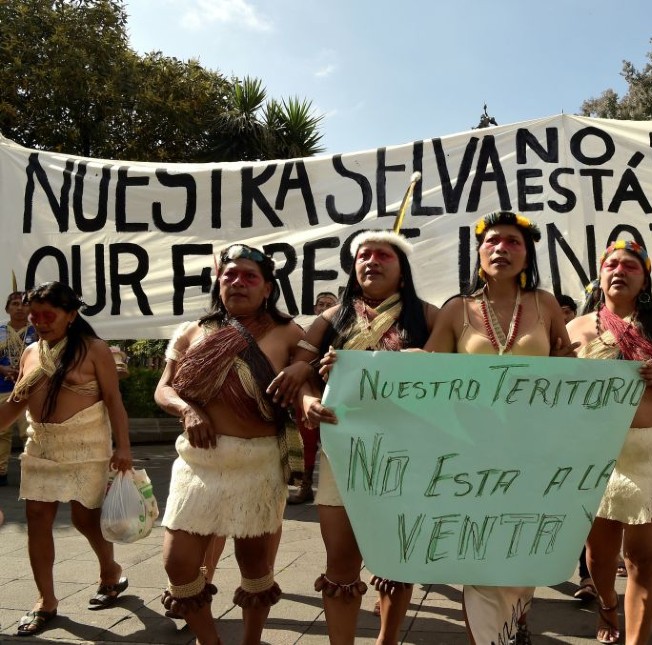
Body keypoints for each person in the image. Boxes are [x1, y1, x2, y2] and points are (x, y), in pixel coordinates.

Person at [272, 230, 438, 645]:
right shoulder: (331, 318)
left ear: (402, 273)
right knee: (341, 564)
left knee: (395, 561)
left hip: (406, 455)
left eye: (384, 255)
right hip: (343, 454)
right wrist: (309, 400)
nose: (372, 261)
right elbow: (302, 369)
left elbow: (452, 365)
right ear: (354, 268)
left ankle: (387, 641)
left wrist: (402, 360)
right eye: (364, 255)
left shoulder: (428, 316)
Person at [424, 210, 573, 645]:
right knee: (481, 554)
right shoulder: (457, 309)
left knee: (521, 546)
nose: (501, 249)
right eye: (492, 242)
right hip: (472, 454)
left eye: (513, 242)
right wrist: (364, 365)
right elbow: (424, 364)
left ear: (527, 256)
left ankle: (515, 622)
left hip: (534, 450)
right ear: (479, 252)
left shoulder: (545, 305)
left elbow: (567, 367)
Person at [154, 243, 304, 645]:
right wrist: (187, 411)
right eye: (230, 275)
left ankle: (251, 642)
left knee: (255, 566)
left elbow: (310, 379)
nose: (238, 282)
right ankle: (210, 641)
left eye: (249, 276)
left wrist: (305, 367)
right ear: (218, 283)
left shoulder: (289, 332)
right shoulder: (192, 331)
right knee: (178, 564)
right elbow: (164, 389)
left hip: (258, 464)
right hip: (198, 465)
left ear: (268, 288)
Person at [567, 240, 652, 644]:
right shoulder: (575, 329)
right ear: (600, 272)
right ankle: (608, 605)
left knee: (644, 559)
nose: (620, 271)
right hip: (595, 457)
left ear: (644, 277)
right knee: (599, 556)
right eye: (612, 264)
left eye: (631, 266)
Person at [0, 282, 132, 637]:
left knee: (85, 520)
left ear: (71, 315)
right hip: (41, 446)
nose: (41, 322)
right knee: (37, 518)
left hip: (86, 445)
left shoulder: (95, 350)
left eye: (49, 315)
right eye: (35, 316)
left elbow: (114, 401)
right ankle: (46, 600)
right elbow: (15, 404)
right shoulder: (30, 352)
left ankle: (110, 571)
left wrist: (124, 448)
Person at [0, 291, 37, 485]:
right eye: (15, 304)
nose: (20, 308)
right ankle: (0, 471)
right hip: (2, 387)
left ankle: (31, 470)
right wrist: (2, 368)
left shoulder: (37, 332)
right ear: (7, 308)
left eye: (24, 304)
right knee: (1, 432)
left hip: (29, 390)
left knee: (30, 431)